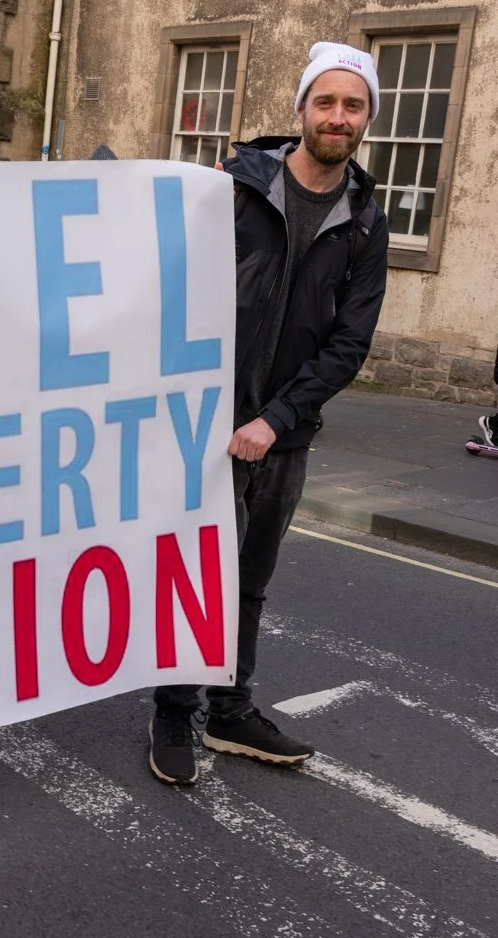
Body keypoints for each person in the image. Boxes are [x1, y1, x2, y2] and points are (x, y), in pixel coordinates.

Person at [149, 41, 388, 785]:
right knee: (198, 572)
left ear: (366, 119)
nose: (338, 116)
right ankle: (172, 711)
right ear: (301, 110)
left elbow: (349, 343)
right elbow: (161, 276)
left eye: (353, 105)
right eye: (326, 101)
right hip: (207, 425)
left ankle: (229, 709)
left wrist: (277, 419)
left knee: (250, 580)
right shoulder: (233, 187)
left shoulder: (365, 220)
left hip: (281, 437)